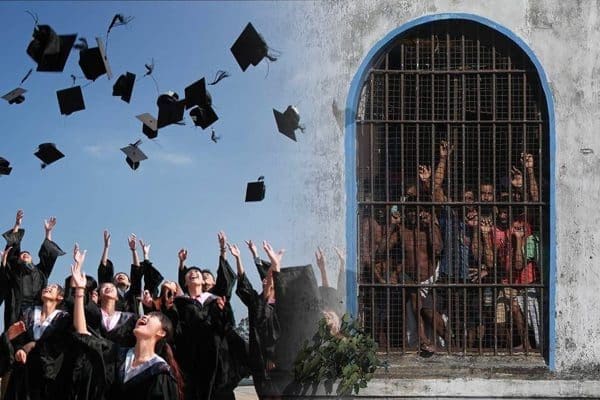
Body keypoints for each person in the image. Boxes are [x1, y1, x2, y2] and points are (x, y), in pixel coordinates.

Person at [70, 245, 183, 400]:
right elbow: (84, 334)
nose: (144, 317)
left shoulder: (161, 373)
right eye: (146, 315)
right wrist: (79, 291)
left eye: (151, 316)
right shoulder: (117, 355)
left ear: (161, 332)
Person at [4, 282, 71, 400]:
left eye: (53, 287)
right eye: (47, 286)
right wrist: (19, 349)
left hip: (47, 372)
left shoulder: (63, 318)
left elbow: (57, 344)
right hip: (24, 372)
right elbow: (18, 337)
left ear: (60, 297)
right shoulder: (28, 313)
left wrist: (33, 345)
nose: (48, 288)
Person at [1, 210, 66, 327]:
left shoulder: (40, 272)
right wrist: (17, 225)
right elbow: (12, 250)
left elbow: (47, 255)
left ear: (32, 258)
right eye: (22, 255)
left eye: (27, 254)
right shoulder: (15, 272)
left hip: (37, 315)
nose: (25, 255)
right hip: (16, 313)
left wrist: (48, 232)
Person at [233, 241, 280, 400]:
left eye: (269, 277)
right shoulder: (255, 301)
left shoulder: (282, 302)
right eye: (265, 278)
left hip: (279, 360)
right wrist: (238, 258)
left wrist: (273, 356)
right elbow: (243, 282)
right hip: (259, 360)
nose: (266, 279)